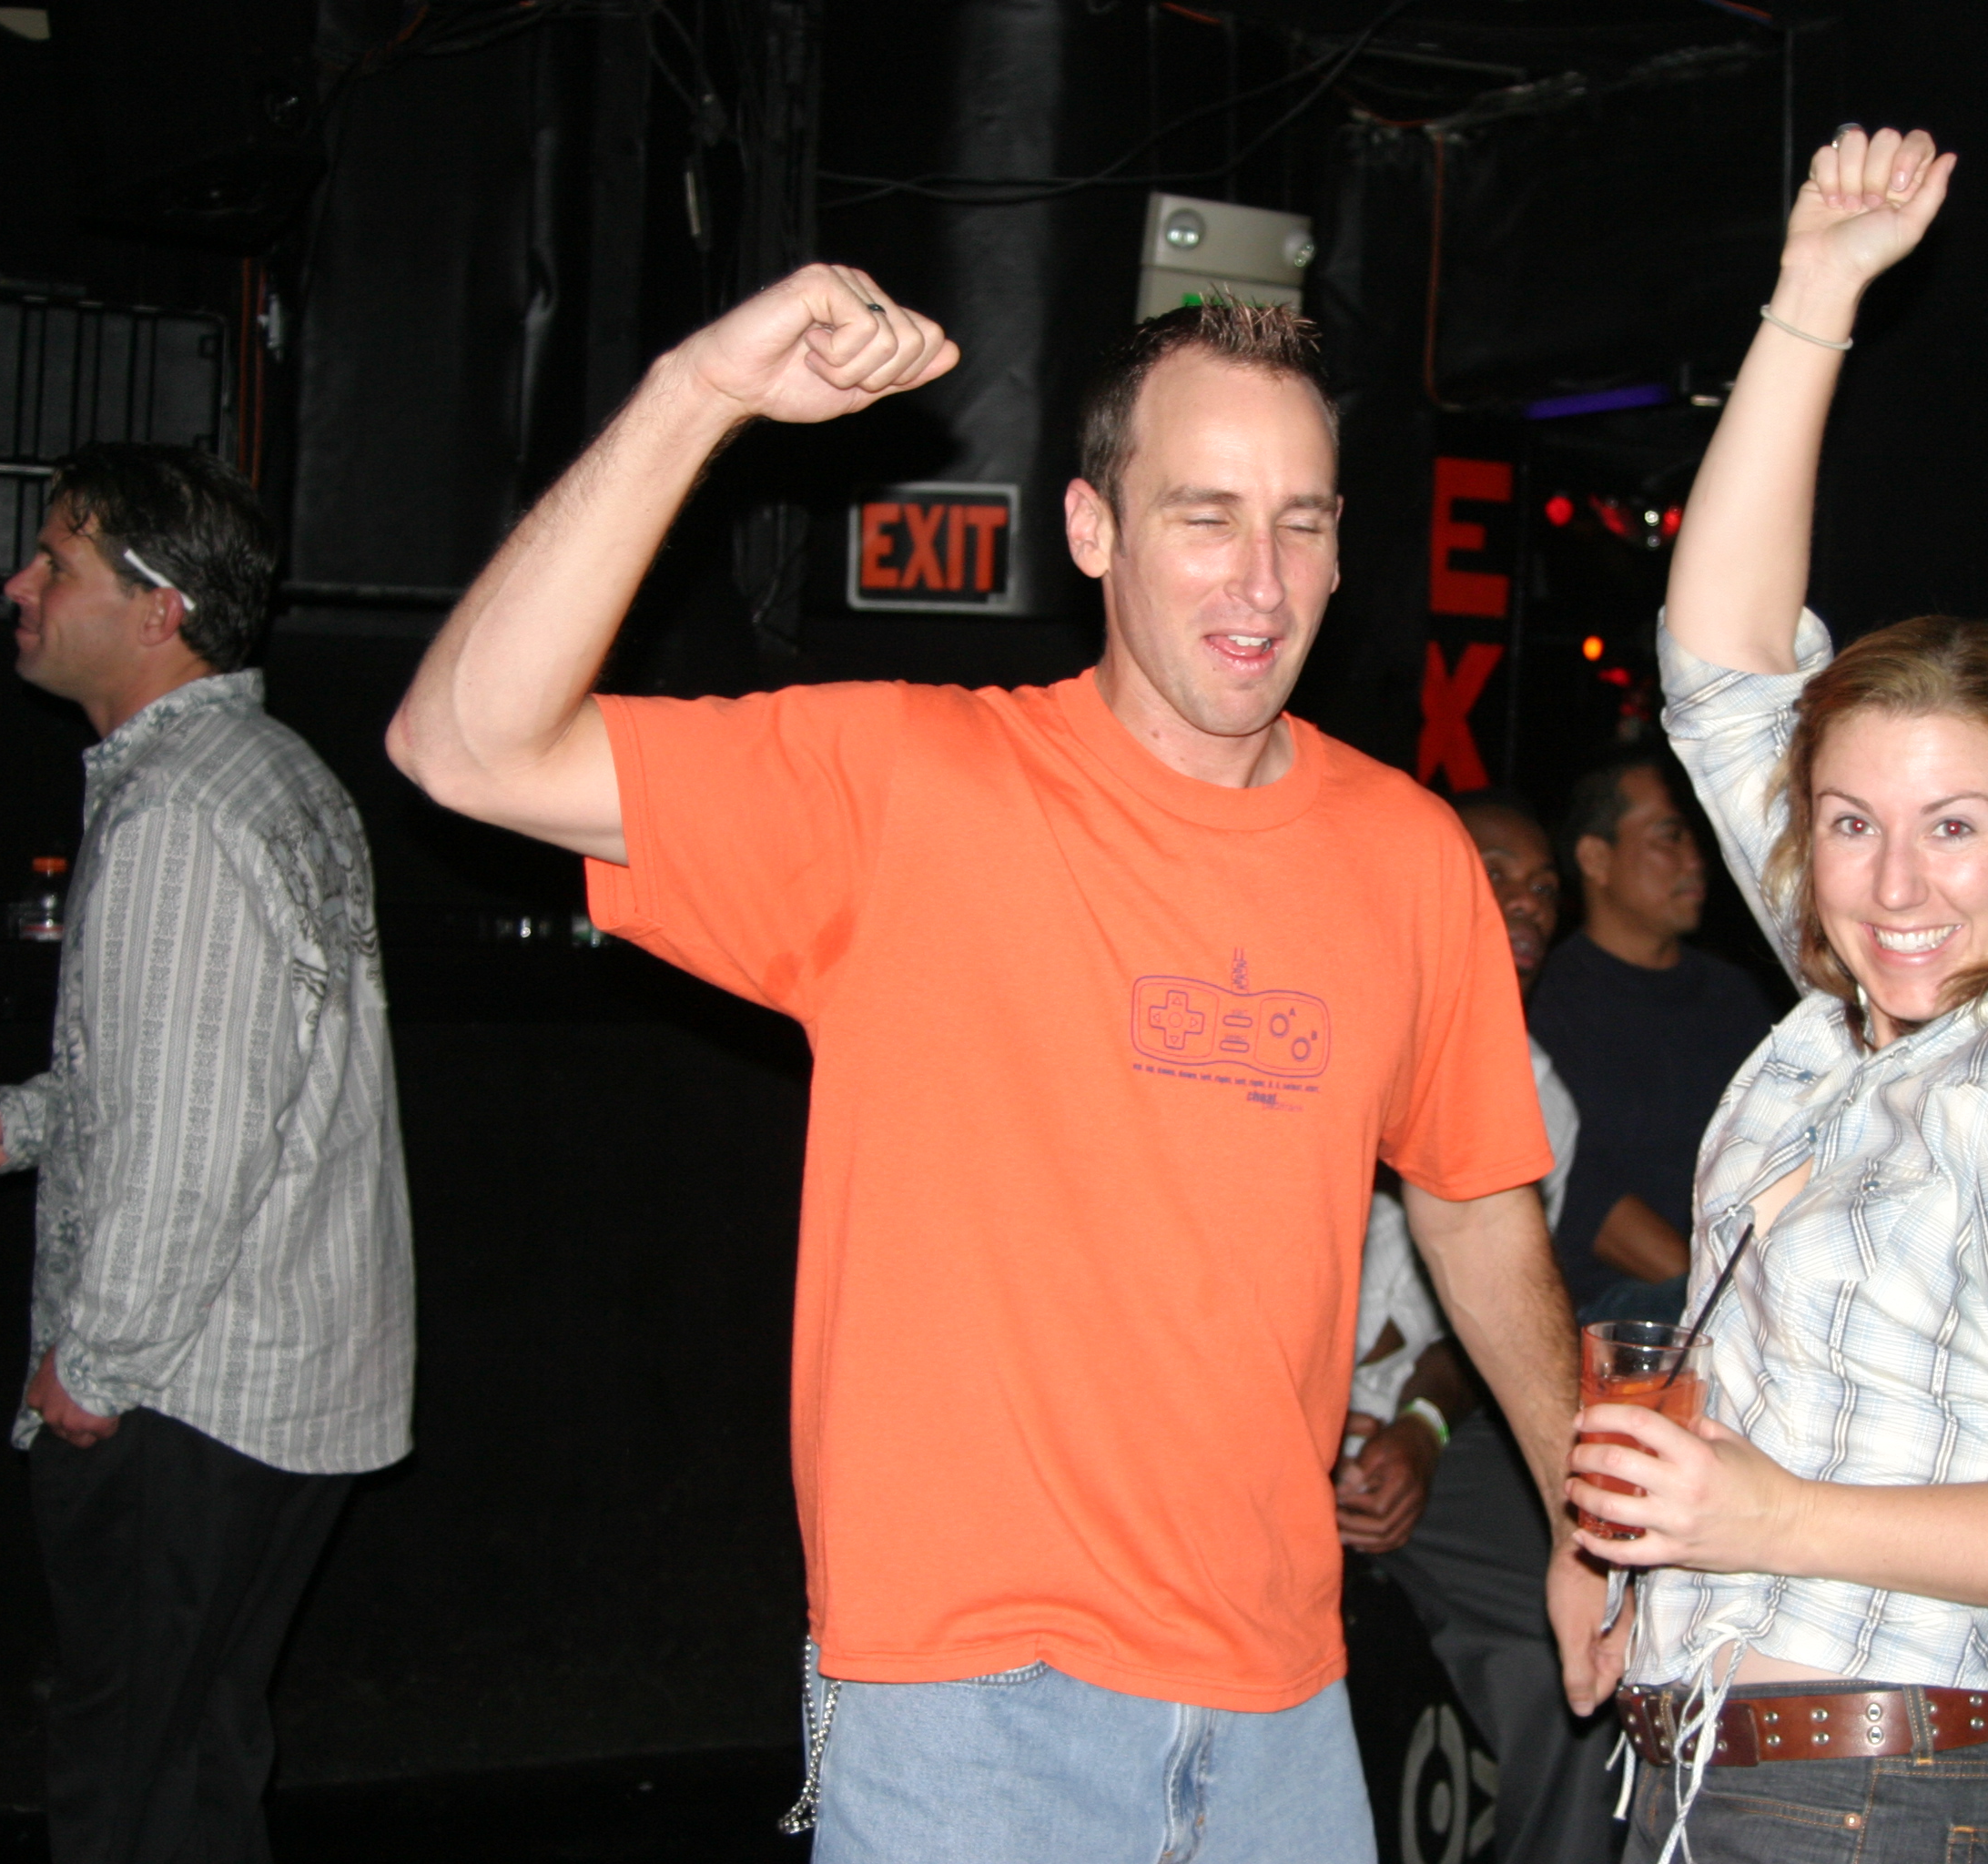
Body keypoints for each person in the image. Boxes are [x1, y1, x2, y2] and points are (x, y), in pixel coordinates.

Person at [385, 279, 1613, 1862]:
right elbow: (462, 745)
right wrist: (696, 392)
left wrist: (1585, 1519)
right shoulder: (914, 785)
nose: (1260, 580)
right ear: (1092, 530)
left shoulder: (1408, 854)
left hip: (1283, 1701)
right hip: (971, 1709)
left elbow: (1476, 1212)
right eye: (1205, 516)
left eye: (1299, 523)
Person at [1563, 126, 1988, 1864]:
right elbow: (1723, 662)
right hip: (1724, 1771)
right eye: (1850, 822)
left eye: (1953, 826)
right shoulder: (1859, 1004)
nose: (1891, 883)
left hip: (1876, 1798)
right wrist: (1812, 294)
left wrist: (1770, 1516)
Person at [0, 444, 415, 1863]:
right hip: (274, 1390)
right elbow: (236, 1069)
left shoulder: (179, 816)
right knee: (198, 1771)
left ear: (160, 610)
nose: (18, 585)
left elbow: (194, 1145)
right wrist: (20, 1121)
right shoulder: (266, 774)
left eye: (58, 562)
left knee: (130, 1793)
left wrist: (94, 1370)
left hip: (189, 1398)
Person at [1339, 789, 1625, 1864]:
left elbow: (1486, 1324)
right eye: (1496, 871)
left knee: (1581, 1650)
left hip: (1409, 1430)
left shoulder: (1540, 1096)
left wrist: (1420, 1427)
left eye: (1545, 888)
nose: (1529, 903)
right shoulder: (1321, 1029)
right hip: (1249, 1418)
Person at [1528, 757, 1776, 1324]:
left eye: (1698, 838)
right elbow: (1583, 1192)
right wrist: (1729, 1299)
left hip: (1736, 1283)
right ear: (1597, 859)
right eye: (1670, 836)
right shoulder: (1549, 1001)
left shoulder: (1735, 995)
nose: (1696, 860)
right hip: (1615, 1309)